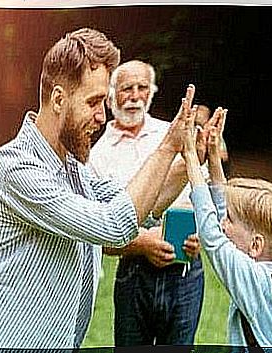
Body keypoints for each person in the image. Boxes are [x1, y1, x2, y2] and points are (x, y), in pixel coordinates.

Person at [0, 28, 196, 349]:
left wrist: (185, 163)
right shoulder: (17, 167)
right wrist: (166, 148)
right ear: (58, 99)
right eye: (93, 102)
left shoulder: (74, 167)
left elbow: (132, 207)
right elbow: (114, 227)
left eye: (103, 102)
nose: (102, 115)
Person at [89, 60, 204, 346]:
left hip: (185, 270)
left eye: (142, 88)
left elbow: (206, 194)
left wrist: (202, 234)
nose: (135, 96)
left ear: (151, 93)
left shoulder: (173, 135)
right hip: (134, 271)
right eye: (127, 88)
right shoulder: (98, 154)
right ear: (112, 95)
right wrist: (144, 243)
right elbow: (98, 231)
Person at [182, 105, 272, 346]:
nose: (223, 224)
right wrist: (214, 156)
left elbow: (212, 236)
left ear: (256, 244)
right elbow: (223, 210)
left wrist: (191, 158)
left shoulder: (256, 280)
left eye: (230, 222)